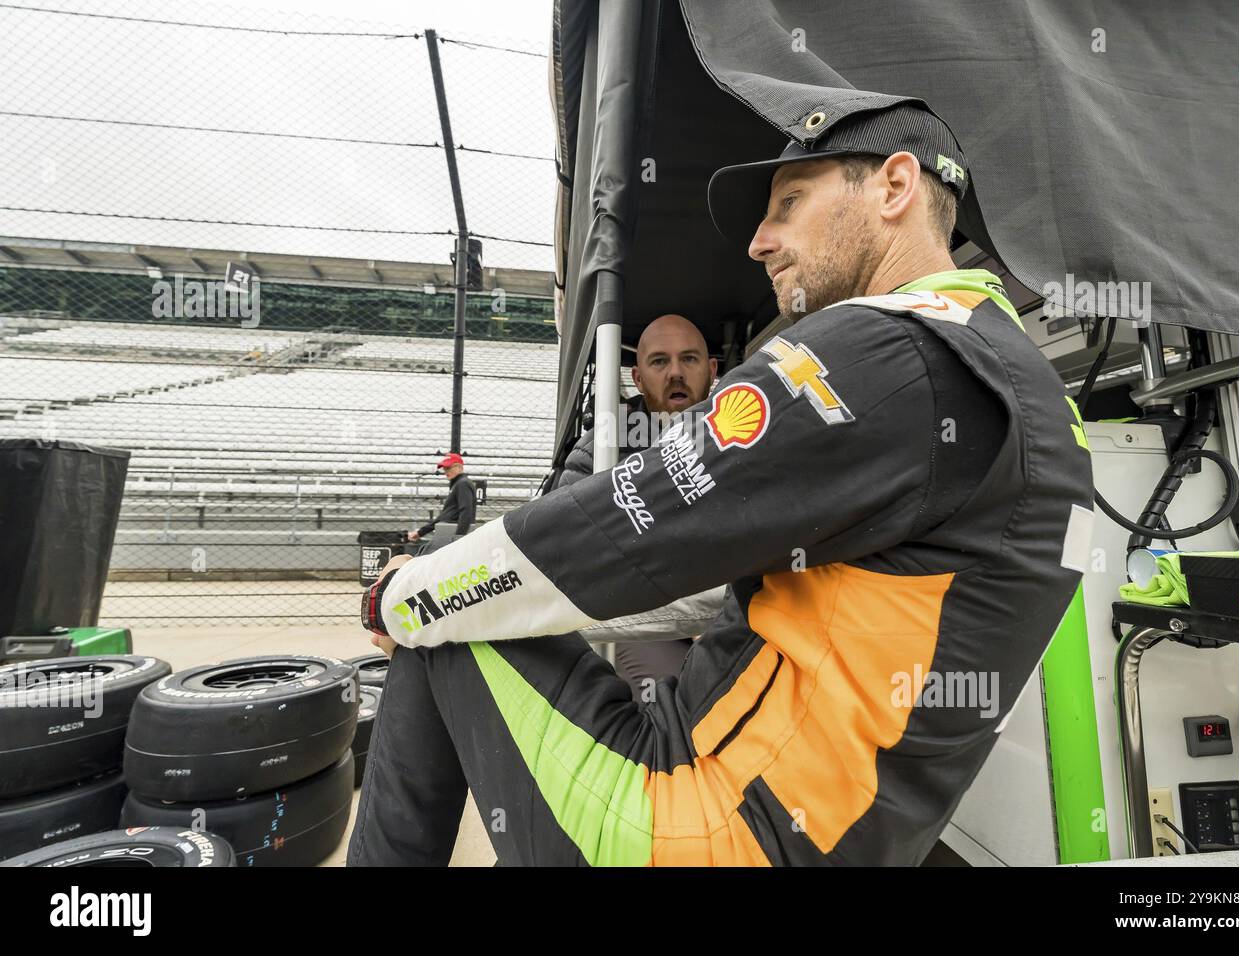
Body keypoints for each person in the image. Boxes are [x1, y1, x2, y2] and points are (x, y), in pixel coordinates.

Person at [351, 102, 1093, 866]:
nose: (758, 242)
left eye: (789, 205)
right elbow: (721, 585)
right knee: (450, 593)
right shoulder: (1031, 391)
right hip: (848, 831)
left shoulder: (887, 348)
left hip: (708, 826)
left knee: (438, 606)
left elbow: (615, 535)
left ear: (894, 186)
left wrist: (397, 596)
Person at [559, 313, 724, 690]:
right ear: (637, 377)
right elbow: (569, 543)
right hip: (642, 614)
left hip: (729, 609)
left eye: (690, 359)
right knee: (683, 689)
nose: (676, 373)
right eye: (660, 361)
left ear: (712, 369)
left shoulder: (741, 431)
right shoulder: (603, 445)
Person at [407, 453, 475, 542]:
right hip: (449, 531)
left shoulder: (462, 483)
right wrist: (421, 532)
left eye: (448, 468)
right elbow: (445, 516)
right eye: (444, 469)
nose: (446, 472)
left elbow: (466, 512)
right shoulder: (458, 484)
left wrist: (459, 538)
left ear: (459, 467)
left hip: (453, 533)